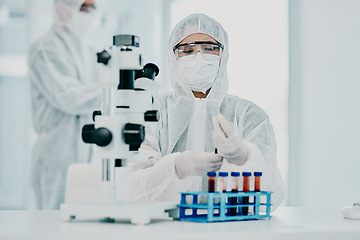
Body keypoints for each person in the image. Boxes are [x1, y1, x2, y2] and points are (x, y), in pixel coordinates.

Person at [116, 13, 286, 211]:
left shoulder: (250, 116)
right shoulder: (152, 112)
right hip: (165, 228)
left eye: (210, 48)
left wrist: (243, 157)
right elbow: (130, 190)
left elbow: (271, 197)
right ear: (173, 57)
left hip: (232, 228)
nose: (198, 56)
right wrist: (177, 167)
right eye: (187, 50)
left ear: (224, 55)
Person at [27, 0, 101, 210]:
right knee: (52, 226)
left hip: (89, 155)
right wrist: (116, 89)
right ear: (62, 5)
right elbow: (69, 97)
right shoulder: (44, 48)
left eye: (91, 8)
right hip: (56, 158)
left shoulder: (91, 54)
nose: (88, 13)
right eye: (82, 6)